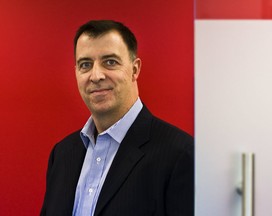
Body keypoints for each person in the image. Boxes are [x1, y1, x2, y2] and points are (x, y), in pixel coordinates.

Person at [40, 20, 194, 216]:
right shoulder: (61, 155)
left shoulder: (180, 155)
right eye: (85, 65)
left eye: (110, 62)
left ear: (135, 69)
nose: (96, 76)